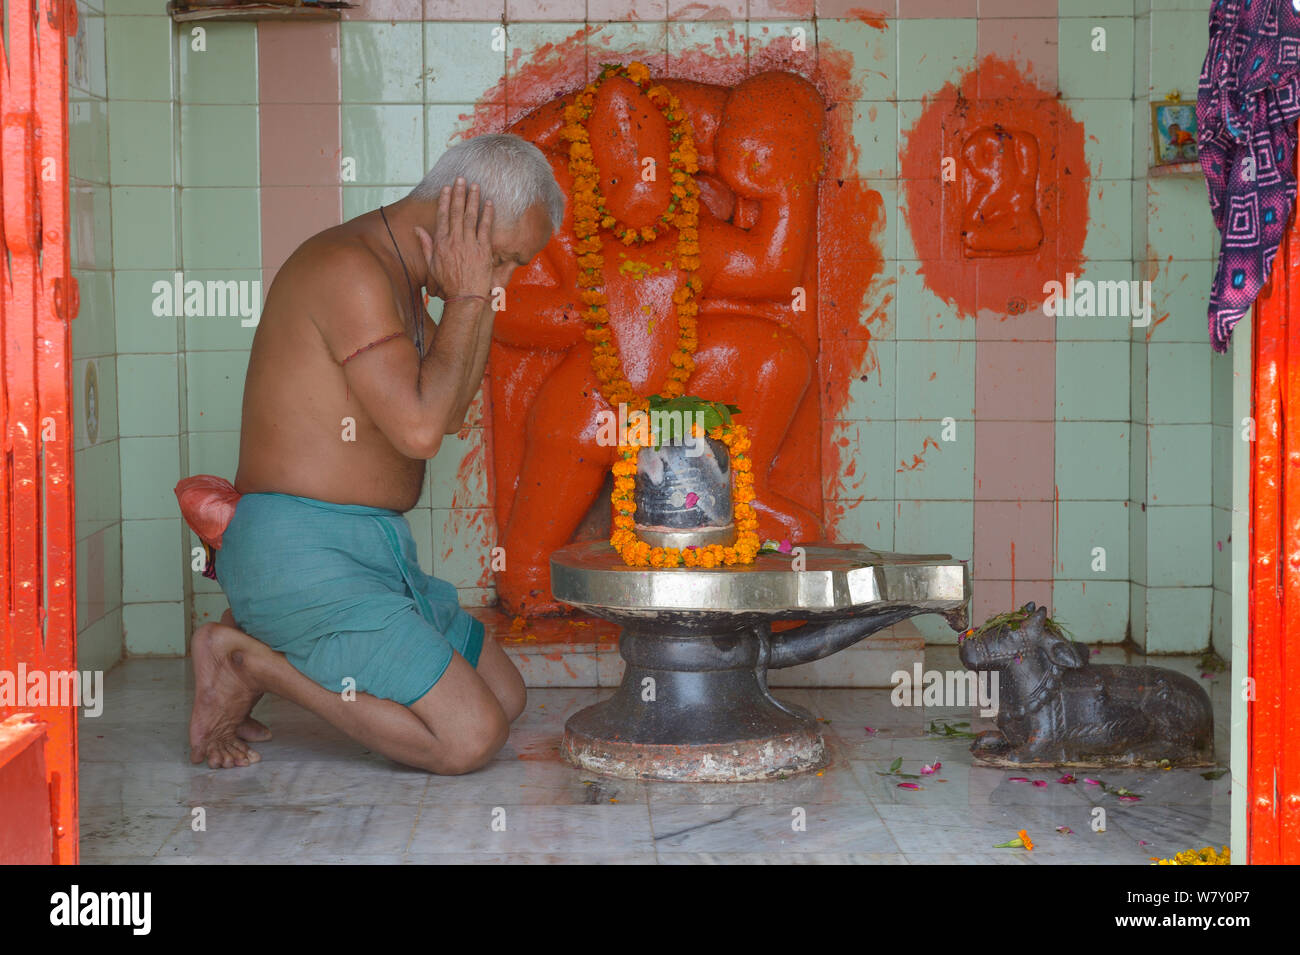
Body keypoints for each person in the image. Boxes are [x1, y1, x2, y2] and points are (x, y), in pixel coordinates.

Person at [185, 134, 563, 772]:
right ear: (457, 216)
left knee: (507, 696)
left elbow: (452, 405)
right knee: (468, 739)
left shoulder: (404, 282)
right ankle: (249, 660)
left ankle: (260, 644)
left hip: (376, 552)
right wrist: (471, 296)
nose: (502, 283)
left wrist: (475, 295)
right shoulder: (351, 270)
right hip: (302, 553)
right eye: (500, 259)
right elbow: (420, 431)